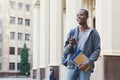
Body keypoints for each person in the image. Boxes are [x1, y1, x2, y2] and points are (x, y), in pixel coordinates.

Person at [62, 9, 101, 80]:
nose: (78, 17)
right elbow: (65, 51)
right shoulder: (72, 32)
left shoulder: (93, 33)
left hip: (86, 65)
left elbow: (97, 50)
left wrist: (87, 63)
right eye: (77, 16)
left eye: (81, 15)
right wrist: (70, 45)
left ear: (87, 16)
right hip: (72, 64)